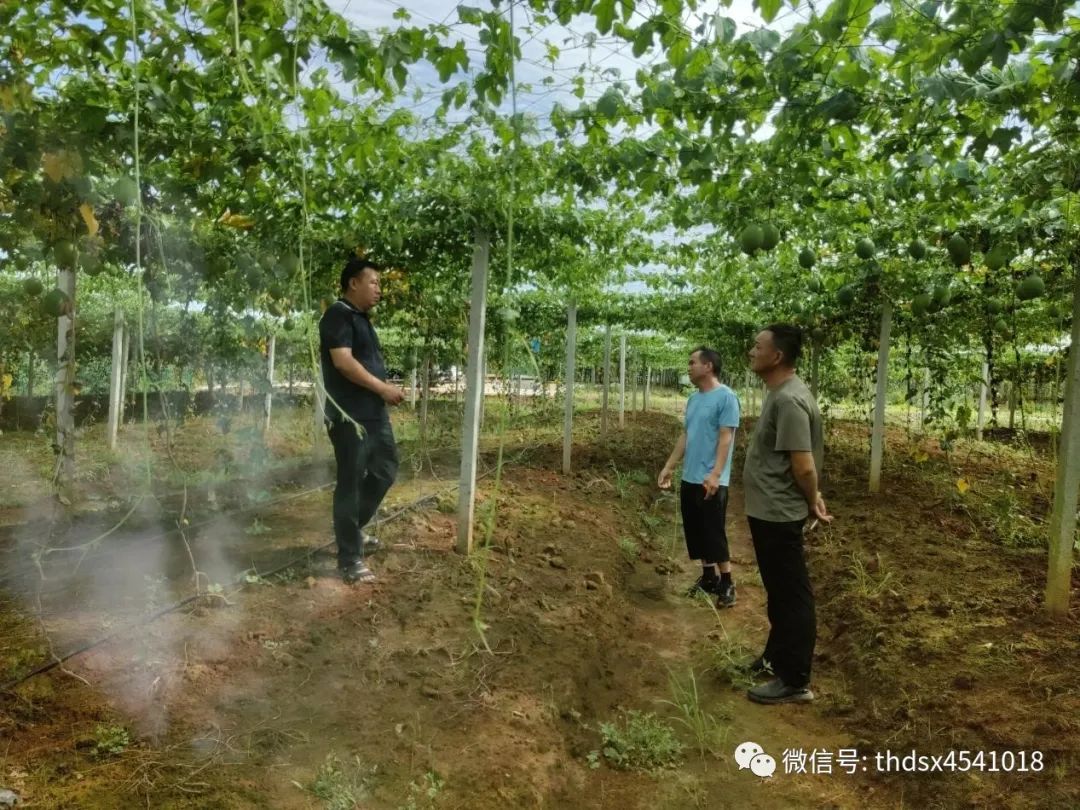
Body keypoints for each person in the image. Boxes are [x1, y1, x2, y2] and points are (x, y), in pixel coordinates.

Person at [742, 324, 832, 704]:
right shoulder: (778, 393)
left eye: (757, 346)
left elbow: (804, 465)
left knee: (791, 594)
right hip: (769, 510)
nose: (751, 350)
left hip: (779, 512)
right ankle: (776, 657)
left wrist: (812, 500)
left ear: (776, 356)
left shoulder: (789, 401)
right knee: (778, 592)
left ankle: (794, 678)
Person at [319, 257, 406, 583]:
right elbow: (342, 362)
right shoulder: (337, 315)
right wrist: (383, 388)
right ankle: (349, 559)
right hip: (348, 416)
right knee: (351, 483)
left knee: (385, 469)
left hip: (373, 414)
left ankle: (351, 530)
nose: (378, 290)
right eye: (374, 283)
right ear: (353, 283)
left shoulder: (361, 319)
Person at [658, 347, 741, 608]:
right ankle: (708, 577)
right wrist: (670, 465)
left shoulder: (727, 398)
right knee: (695, 529)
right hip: (691, 476)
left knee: (713, 530)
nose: (689, 366)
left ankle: (727, 581)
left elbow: (726, 437)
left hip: (711, 478)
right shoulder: (694, 399)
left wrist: (716, 474)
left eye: (692, 362)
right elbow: (686, 435)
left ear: (708, 366)